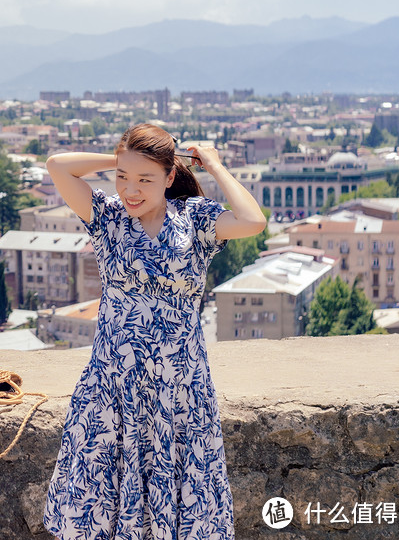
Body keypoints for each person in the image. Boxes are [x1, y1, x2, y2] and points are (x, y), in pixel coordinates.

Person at [42, 123, 266, 540]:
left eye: (145, 179)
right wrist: (126, 159)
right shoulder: (106, 217)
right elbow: (57, 166)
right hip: (114, 383)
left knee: (181, 501)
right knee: (103, 505)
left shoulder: (195, 220)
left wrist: (214, 165)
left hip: (178, 386)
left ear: (168, 177)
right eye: (122, 179)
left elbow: (253, 220)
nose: (130, 190)